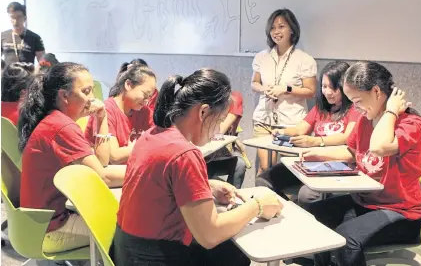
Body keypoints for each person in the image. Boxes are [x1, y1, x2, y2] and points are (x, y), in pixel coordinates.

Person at [111, 68, 283, 266]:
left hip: (126, 251)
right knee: (231, 252)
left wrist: (206, 186)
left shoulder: (152, 135)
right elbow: (209, 235)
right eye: (218, 120)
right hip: (154, 257)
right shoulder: (185, 154)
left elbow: (160, 184)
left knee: (230, 252)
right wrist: (258, 206)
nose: (217, 130)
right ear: (203, 112)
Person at [300, 61, 421, 266]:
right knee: (316, 214)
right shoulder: (365, 119)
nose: (355, 107)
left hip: (401, 213)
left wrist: (391, 111)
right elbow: (351, 151)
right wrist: (317, 154)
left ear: (376, 91)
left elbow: (379, 147)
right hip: (365, 202)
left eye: (357, 100)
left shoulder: (410, 123)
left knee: (347, 238)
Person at [18, 62, 126, 253]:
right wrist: (148, 174)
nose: (92, 99)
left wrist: (102, 118)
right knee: (128, 230)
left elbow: (100, 162)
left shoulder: (56, 121)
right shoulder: (62, 128)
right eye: (86, 91)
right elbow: (102, 177)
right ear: (64, 96)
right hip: (52, 230)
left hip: (42, 225)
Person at [256, 61, 360, 204]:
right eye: (324, 86)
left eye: (334, 88)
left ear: (345, 87)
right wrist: (281, 131)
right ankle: (287, 210)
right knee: (263, 180)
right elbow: (300, 129)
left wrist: (316, 141)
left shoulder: (355, 109)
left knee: (307, 194)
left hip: (336, 165)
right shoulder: (320, 108)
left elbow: (347, 137)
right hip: (311, 163)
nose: (327, 92)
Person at [251, 8, 317, 174]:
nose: (276, 32)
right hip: (263, 119)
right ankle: (263, 198)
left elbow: (311, 91)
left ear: (292, 30)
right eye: (272, 28)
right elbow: (254, 83)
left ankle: (285, 200)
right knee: (265, 168)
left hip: (291, 122)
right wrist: (264, 89)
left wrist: (285, 89)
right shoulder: (261, 56)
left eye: (281, 27)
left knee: (290, 171)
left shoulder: (304, 59)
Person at [85, 61, 157, 164]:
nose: (146, 101)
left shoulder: (144, 112)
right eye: (145, 94)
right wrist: (143, 146)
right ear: (128, 84)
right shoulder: (106, 110)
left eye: (150, 97)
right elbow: (114, 156)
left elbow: (160, 139)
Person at [205, 91, 247, 189]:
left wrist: (235, 140)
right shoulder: (197, 102)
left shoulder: (234, 98)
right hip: (199, 156)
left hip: (219, 153)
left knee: (240, 164)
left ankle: (233, 198)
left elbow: (219, 133)